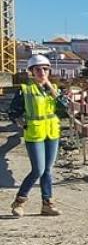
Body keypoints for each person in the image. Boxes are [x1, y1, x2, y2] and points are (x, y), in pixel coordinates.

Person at [9, 54, 69, 218]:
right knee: (38, 169)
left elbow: (65, 110)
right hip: (34, 134)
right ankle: (19, 201)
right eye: (38, 69)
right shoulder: (25, 90)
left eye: (45, 69)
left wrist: (52, 90)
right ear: (31, 72)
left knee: (48, 170)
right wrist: (23, 124)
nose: (42, 72)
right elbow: (13, 112)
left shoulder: (54, 90)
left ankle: (47, 203)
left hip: (51, 133)